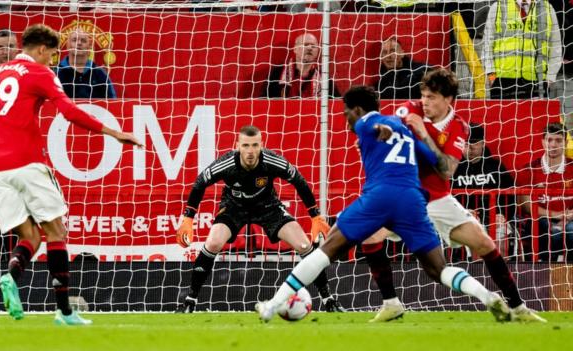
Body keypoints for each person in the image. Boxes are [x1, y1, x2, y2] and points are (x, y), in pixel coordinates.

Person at [256, 85, 509, 322]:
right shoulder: (406, 131)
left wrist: (381, 130)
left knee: (328, 248)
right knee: (437, 269)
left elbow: (375, 126)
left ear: (357, 110)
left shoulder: (367, 123)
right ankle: (486, 296)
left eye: (347, 114)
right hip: (412, 200)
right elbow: (434, 160)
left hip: (380, 196)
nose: (346, 121)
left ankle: (272, 305)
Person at [0, 24, 141, 325]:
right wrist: (113, 132)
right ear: (42, 50)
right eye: (53, 54)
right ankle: (64, 312)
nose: (53, 60)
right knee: (56, 233)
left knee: (30, 236)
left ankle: (11, 276)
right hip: (27, 164)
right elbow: (69, 111)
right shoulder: (40, 73)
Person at [360, 68, 545, 323]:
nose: (424, 102)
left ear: (448, 99)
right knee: (369, 235)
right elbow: (386, 129)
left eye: (432, 97)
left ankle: (518, 307)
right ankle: (391, 303)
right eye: (423, 95)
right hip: (404, 196)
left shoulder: (458, 127)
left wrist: (423, 134)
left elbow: (447, 170)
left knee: (484, 243)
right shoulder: (407, 110)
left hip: (437, 198)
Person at [175, 125, 344, 313]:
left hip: (268, 206)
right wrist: (188, 218)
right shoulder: (227, 163)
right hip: (234, 206)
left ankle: (328, 299)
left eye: (255, 145)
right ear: (237, 146)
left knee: (304, 245)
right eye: (246, 145)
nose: (250, 151)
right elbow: (200, 183)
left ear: (261, 146)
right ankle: (190, 302)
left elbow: (298, 180)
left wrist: (316, 216)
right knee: (213, 243)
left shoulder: (271, 161)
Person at [452, 123, 518, 258]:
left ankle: (499, 275)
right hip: (466, 218)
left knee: (501, 238)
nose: (469, 147)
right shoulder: (453, 167)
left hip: (495, 217)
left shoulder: (495, 166)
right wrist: (462, 212)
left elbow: (512, 195)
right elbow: (444, 197)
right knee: (475, 235)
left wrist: (504, 215)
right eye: (466, 143)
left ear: (483, 143)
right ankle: (479, 274)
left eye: (474, 143)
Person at [516, 123, 573, 262]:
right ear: (543, 142)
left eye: (558, 140)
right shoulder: (528, 170)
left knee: (571, 230)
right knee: (547, 229)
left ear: (565, 142)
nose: (553, 145)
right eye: (549, 140)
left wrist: (569, 216)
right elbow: (525, 204)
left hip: (570, 219)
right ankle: (546, 266)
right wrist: (557, 215)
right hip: (540, 221)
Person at [482, 0, 562, 99]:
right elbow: (486, 45)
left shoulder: (547, 9)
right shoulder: (498, 7)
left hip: (537, 81)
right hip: (502, 81)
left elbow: (556, 45)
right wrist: (491, 75)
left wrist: (550, 77)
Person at [263, 33, 341, 98]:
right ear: (295, 49)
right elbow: (263, 101)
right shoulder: (276, 74)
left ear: (317, 52)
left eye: (313, 46)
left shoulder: (325, 80)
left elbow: (338, 105)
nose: (310, 48)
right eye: (306, 45)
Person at [54, 27, 116, 99]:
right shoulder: (56, 73)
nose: (79, 43)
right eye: (74, 40)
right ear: (67, 45)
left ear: (89, 46)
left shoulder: (100, 74)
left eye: (83, 41)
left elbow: (112, 102)